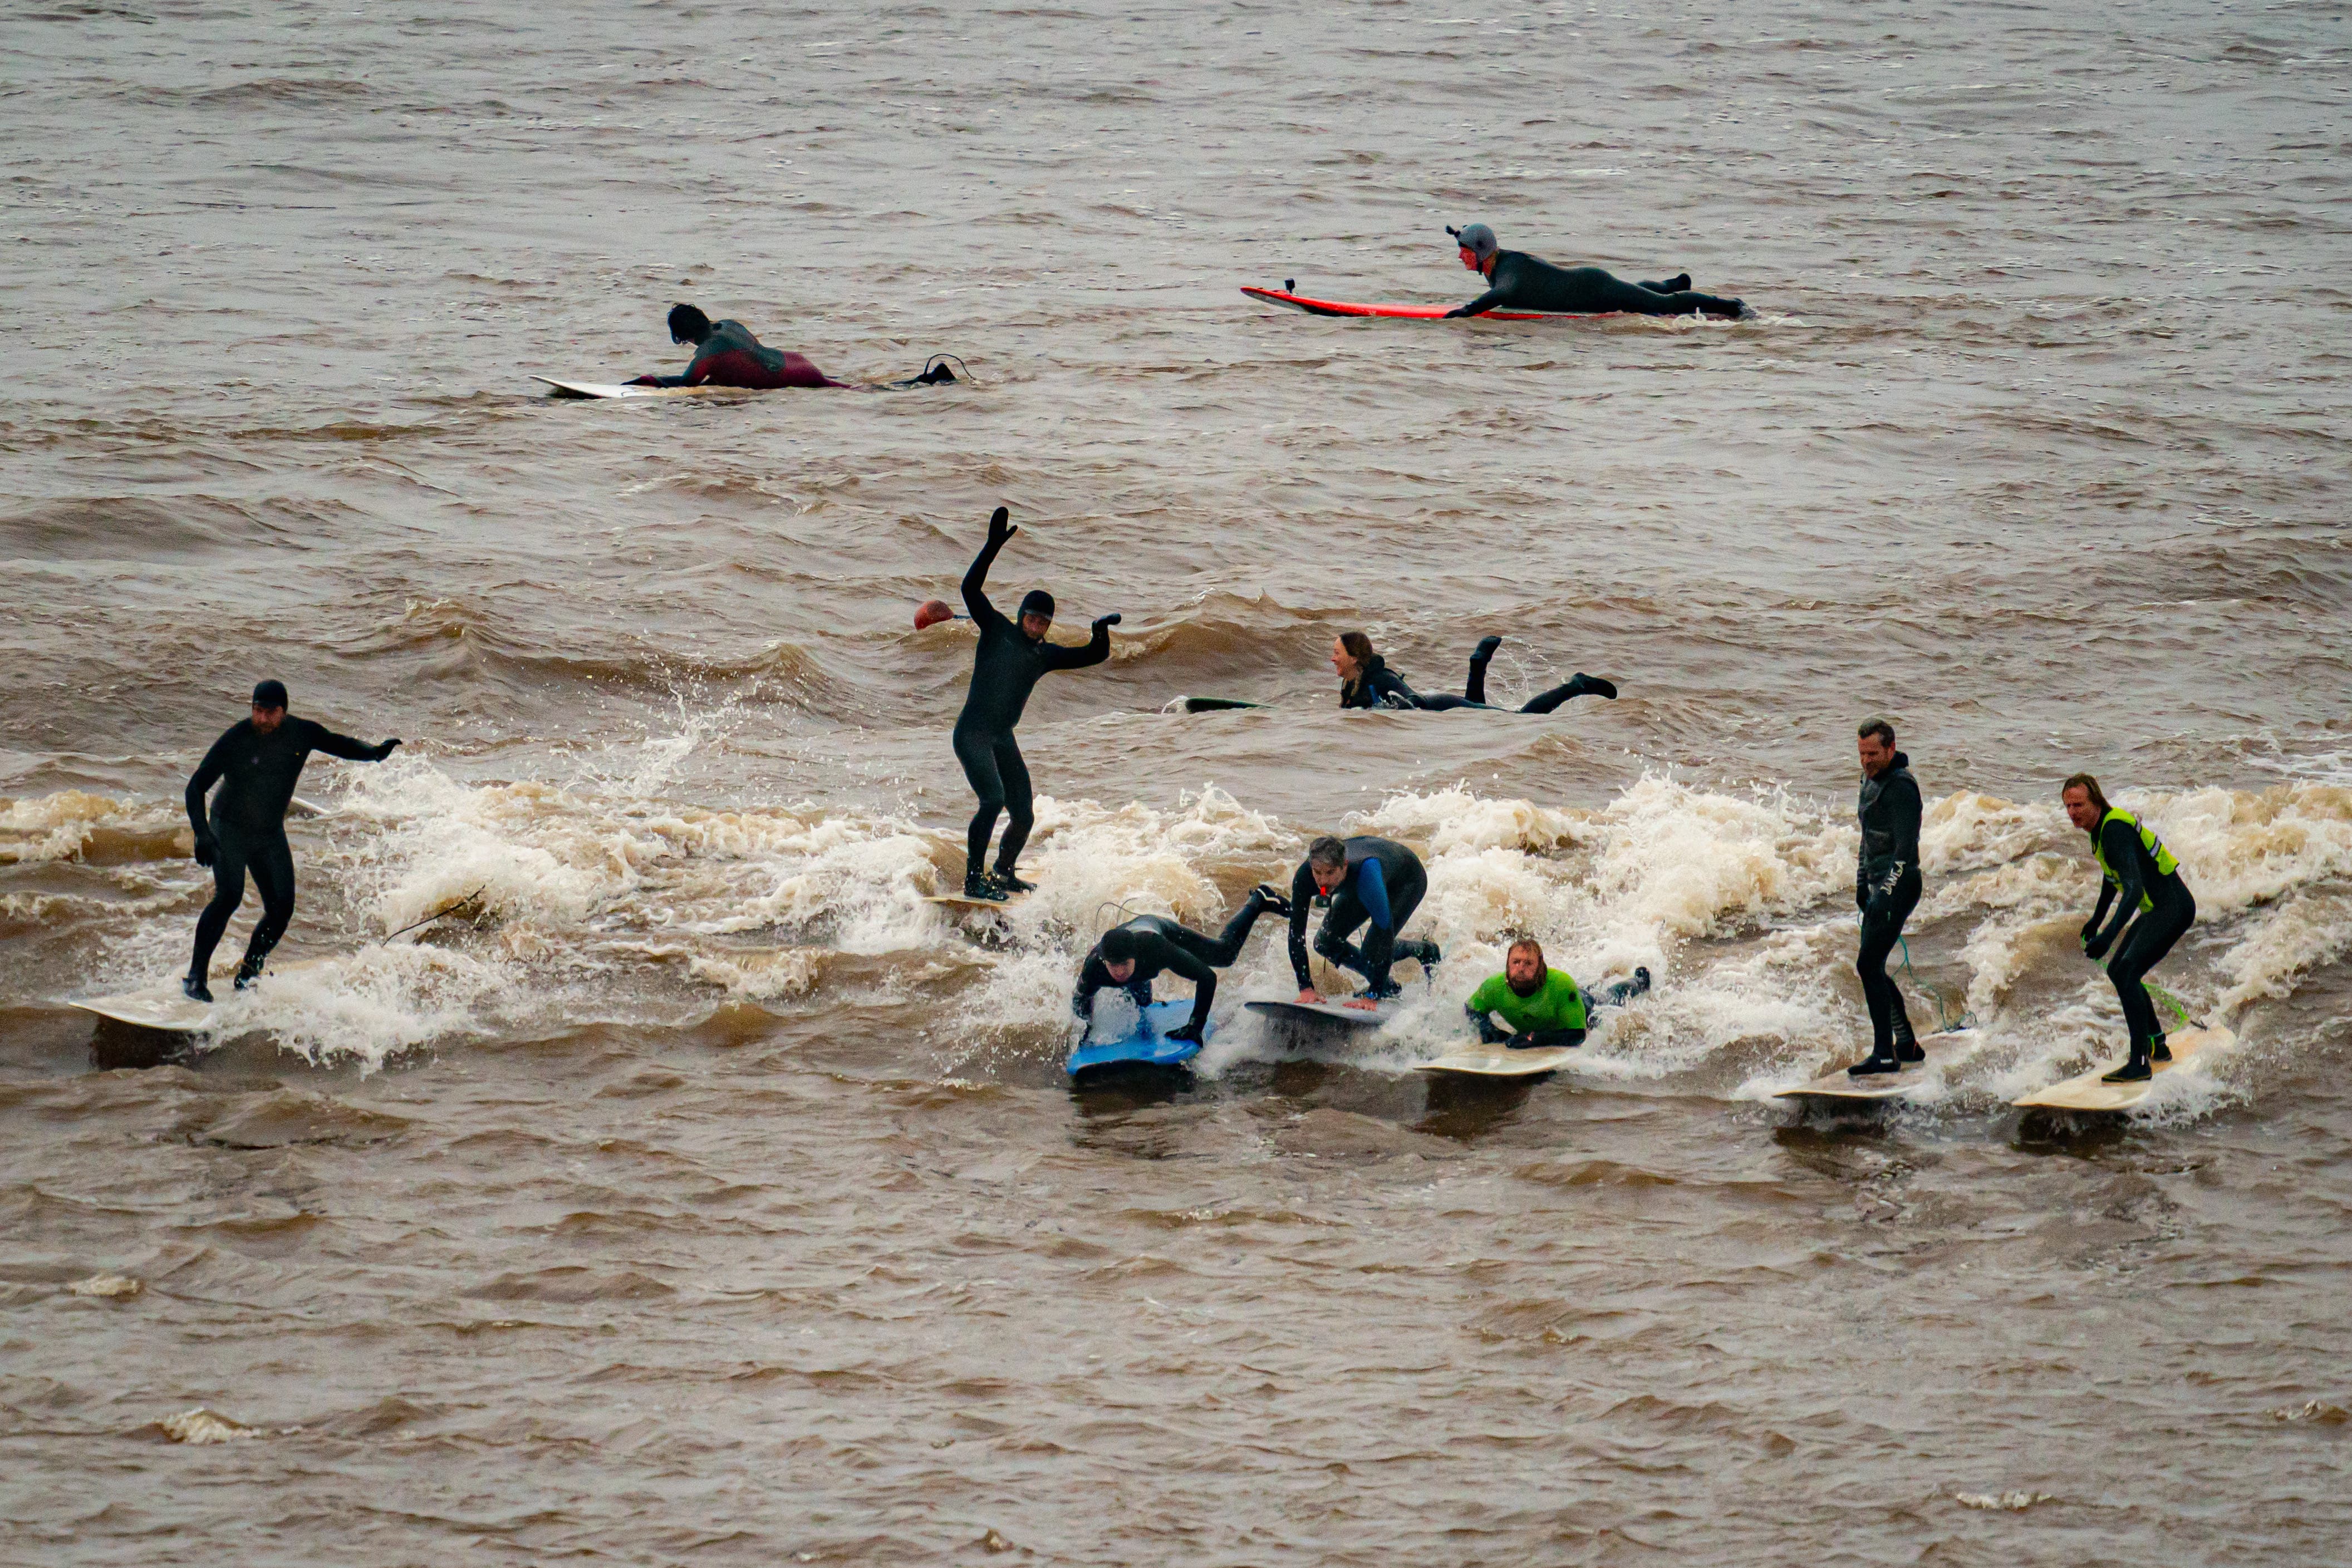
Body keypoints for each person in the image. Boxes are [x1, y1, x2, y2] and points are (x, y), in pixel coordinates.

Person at [182, 680, 401, 1002]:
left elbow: (337, 743)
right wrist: (202, 832)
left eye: (269, 713)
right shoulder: (237, 739)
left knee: (282, 908)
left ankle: (249, 973)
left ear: (283, 711)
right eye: (257, 711)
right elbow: (195, 786)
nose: (262, 719)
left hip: (269, 831)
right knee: (229, 896)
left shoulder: (301, 733)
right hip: (229, 827)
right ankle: (195, 977)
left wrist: (374, 754)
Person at [952, 505, 1119, 900]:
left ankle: (1003, 872)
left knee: (1024, 814)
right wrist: (991, 547)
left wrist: (1099, 632)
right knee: (992, 799)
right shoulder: (995, 630)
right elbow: (969, 590)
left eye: (1043, 622)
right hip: (972, 733)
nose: (1036, 626)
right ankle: (973, 880)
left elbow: (1094, 656)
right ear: (1021, 615)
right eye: (1031, 618)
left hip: (1001, 737)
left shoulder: (1042, 655)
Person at [2064, 773, 2196, 1083]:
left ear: (2096, 802)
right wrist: (2096, 920)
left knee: (2126, 973)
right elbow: (2114, 879)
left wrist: (2109, 936)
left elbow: (2134, 890)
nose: (2073, 812)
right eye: (2068, 806)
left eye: (2079, 805)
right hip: (2159, 910)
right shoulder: (2100, 832)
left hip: (2173, 908)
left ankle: (2139, 1064)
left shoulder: (2114, 831)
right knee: (2118, 972)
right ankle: (2157, 1043)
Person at [1072, 886, 1292, 1044]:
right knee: (1141, 1003)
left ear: (1135, 957)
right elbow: (1080, 1000)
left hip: (1158, 929)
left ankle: (1258, 901)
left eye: (1125, 965)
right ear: (1104, 961)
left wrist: (1195, 1027)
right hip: (1128, 949)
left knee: (1225, 955)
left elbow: (1207, 977)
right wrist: (1087, 1031)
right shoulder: (1095, 967)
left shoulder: (1155, 948)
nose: (1119, 972)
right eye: (1114, 966)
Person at [1442, 223, 1744, 321]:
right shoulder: (1502, 264)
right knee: (1636, 292)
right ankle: (1672, 283)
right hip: (1590, 288)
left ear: (1480, 251)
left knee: (1662, 307)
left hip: (1592, 290)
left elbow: (1504, 293)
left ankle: (1731, 307)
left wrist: (1466, 312)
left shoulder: (1510, 269)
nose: (1459, 256)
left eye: (1464, 250)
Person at [1848, 718, 1924, 1076]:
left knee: (1867, 964)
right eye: (1862, 754)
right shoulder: (1867, 779)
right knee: (1872, 964)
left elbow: (1905, 852)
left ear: (1891, 749)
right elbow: (1867, 837)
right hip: (1877, 883)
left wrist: (1885, 893)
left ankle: (1884, 1053)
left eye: (1873, 754)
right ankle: (1905, 1044)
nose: (1866, 761)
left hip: (1901, 884)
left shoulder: (1903, 789)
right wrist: (1862, 882)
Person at [1288, 835, 1441, 1002]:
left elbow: (1385, 928)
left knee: (1373, 951)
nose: (1323, 881)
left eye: (1330, 872)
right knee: (1326, 943)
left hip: (1406, 879)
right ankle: (1388, 986)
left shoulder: (1366, 871)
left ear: (1344, 865)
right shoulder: (1305, 877)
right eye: (1318, 872)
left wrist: (1372, 996)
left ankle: (1426, 951)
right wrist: (1306, 988)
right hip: (1364, 881)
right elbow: (1296, 933)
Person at [1332, 632, 1616, 712]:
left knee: (1522, 719)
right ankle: (1478, 666)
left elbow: (1414, 699)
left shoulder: (1380, 679)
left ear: (1354, 658)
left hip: (1444, 706)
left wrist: (1398, 710)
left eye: (1337, 653)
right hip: (1447, 715)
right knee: (1480, 716)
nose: (1332, 659)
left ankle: (1576, 685)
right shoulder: (1352, 687)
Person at [1464, 937, 1652, 1048]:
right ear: (1507, 964)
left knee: (1610, 998)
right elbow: (1472, 1009)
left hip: (1584, 1007)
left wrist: (1534, 1038)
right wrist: (1487, 1028)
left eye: (1528, 963)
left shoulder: (1561, 984)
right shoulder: (1492, 987)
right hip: (1561, 1004)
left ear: (1540, 967)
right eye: (1516, 962)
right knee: (1594, 987)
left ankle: (1639, 981)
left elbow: (1578, 1035)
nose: (1521, 968)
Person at [630, 303, 861, 390]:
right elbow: (739, 365)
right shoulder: (728, 325)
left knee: (852, 390)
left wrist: (649, 380)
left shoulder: (708, 354)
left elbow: (687, 383)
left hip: (792, 376)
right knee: (849, 387)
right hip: (796, 362)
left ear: (682, 335)